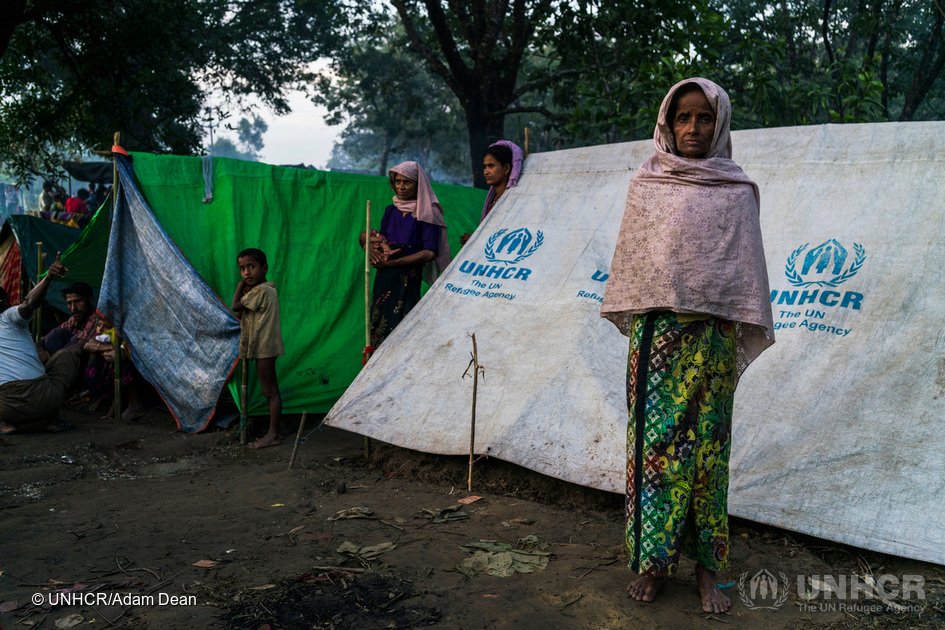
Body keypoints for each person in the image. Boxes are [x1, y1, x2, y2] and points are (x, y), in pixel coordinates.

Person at [600, 78, 775, 614]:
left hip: (714, 341)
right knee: (654, 454)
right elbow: (636, 268)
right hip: (657, 339)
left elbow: (742, 277)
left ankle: (706, 567)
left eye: (703, 118)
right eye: (683, 118)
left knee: (707, 454)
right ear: (667, 123)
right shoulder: (647, 185)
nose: (693, 129)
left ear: (719, 123)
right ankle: (654, 562)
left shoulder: (737, 190)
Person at [359, 161, 449, 348]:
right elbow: (383, 240)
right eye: (397, 181)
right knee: (378, 326)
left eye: (407, 182)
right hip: (384, 278)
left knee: (402, 329)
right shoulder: (390, 211)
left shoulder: (427, 212)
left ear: (418, 184)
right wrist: (370, 243)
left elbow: (429, 252)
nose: (400, 186)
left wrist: (394, 262)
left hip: (407, 279)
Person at [0, 253, 82, 433]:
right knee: (65, 356)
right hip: (43, 400)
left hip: (7, 407)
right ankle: (51, 419)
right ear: (5, 303)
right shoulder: (7, 317)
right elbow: (29, 304)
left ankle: (7, 424)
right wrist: (49, 277)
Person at [231, 248, 284, 449]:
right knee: (269, 390)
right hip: (262, 346)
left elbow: (236, 306)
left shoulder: (263, 290)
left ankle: (273, 434)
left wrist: (239, 286)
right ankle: (277, 428)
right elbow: (240, 315)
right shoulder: (259, 292)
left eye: (251, 267)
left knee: (270, 391)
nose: (246, 273)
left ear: (264, 268)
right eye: (242, 269)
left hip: (264, 347)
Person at [460, 141, 525, 245]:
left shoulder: (513, 202)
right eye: (485, 167)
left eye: (491, 166)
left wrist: (476, 242)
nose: (486, 172)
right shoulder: (492, 200)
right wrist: (473, 241)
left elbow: (506, 238)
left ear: (506, 168)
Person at [40, 281, 99, 358]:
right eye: (69, 303)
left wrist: (53, 359)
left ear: (90, 300)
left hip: (83, 362)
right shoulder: (74, 319)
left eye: (77, 301)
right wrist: (40, 350)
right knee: (57, 332)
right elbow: (45, 339)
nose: (73, 308)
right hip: (65, 357)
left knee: (75, 341)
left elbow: (80, 346)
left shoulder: (96, 318)